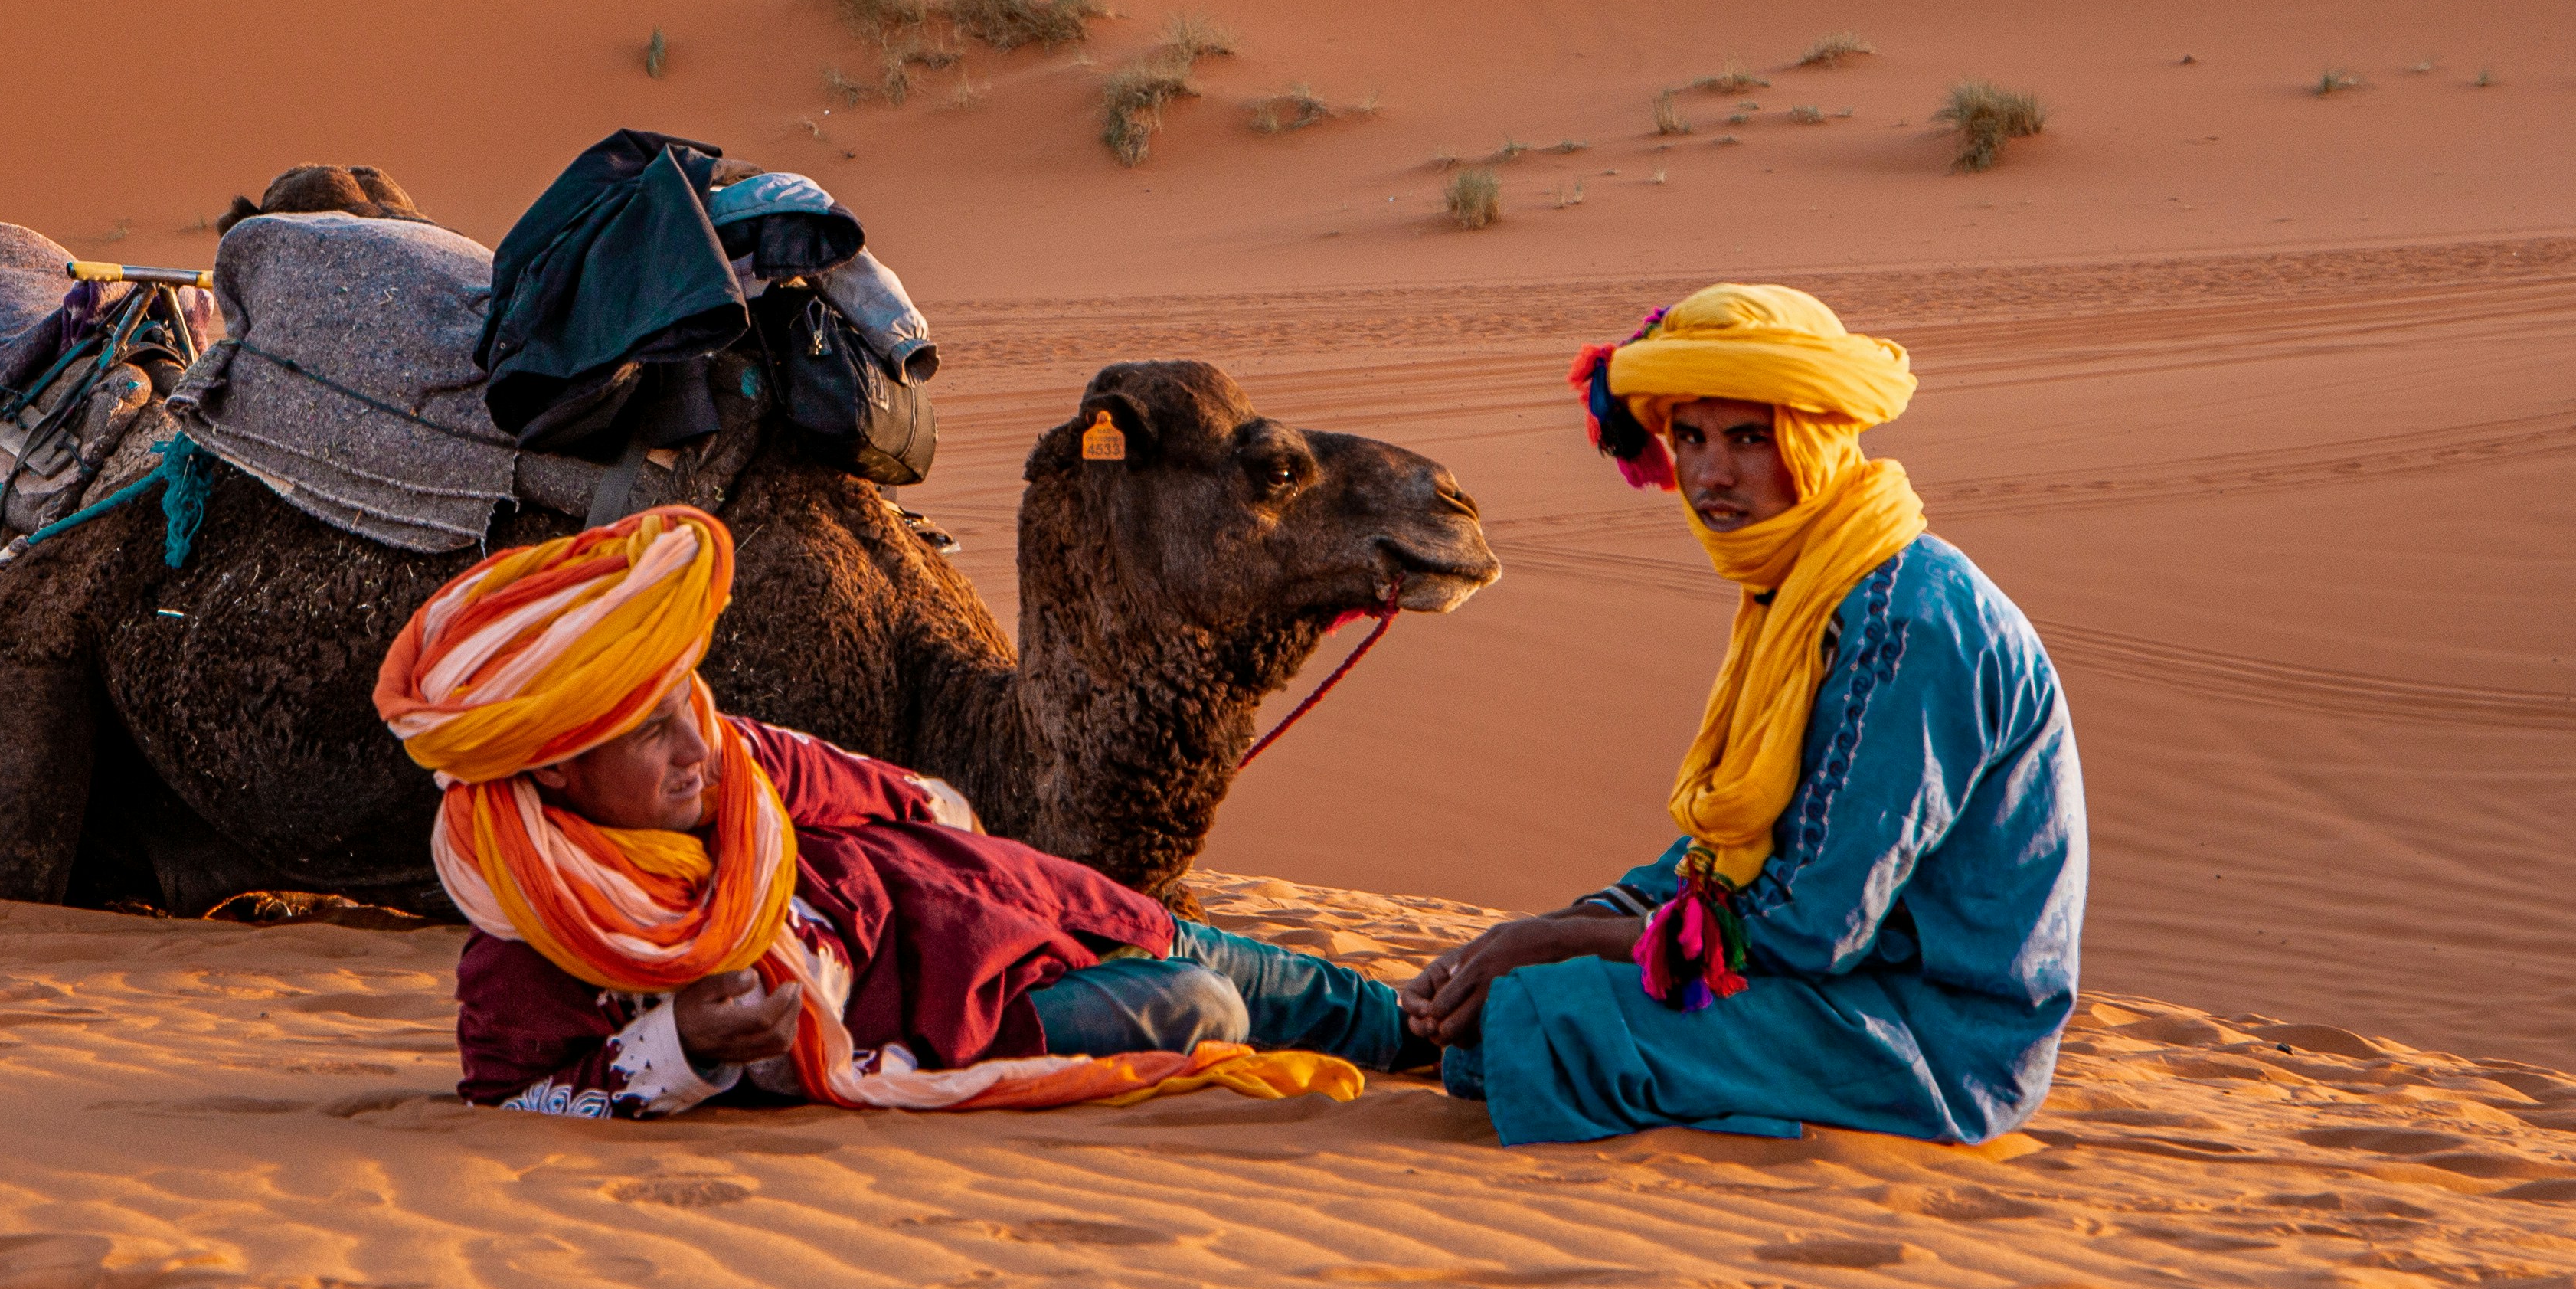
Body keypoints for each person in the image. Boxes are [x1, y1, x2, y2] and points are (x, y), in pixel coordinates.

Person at [376, 505, 1423, 1117]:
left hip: (1035, 905)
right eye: (650, 731)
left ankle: (1474, 1031)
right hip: (977, 1016)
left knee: (1355, 1007)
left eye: (684, 708)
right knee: (1208, 1010)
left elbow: (923, 802)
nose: (699, 747)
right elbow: (519, 1102)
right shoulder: (537, 934)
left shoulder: (746, 766)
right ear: (553, 767)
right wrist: (685, 1044)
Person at [1398, 283, 2084, 1145]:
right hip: (1845, 990)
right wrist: (1543, 932)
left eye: (1749, 439)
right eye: (1690, 438)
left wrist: (1553, 945)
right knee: (1500, 1004)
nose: (1711, 474)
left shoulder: (1904, 625)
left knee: (1538, 1020)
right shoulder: (1805, 590)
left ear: (1817, 441)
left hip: (1936, 1039)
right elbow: (1734, 860)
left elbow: (1813, 924)